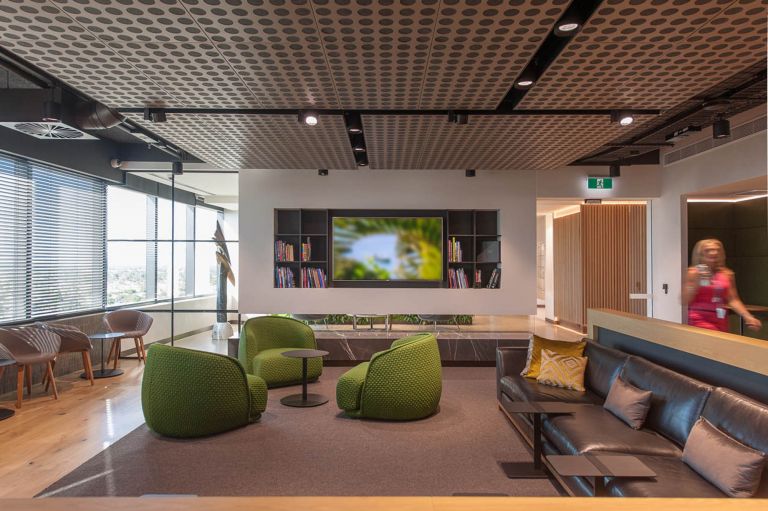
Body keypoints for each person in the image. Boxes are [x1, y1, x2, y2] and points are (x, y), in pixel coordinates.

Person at [684, 239, 762, 333]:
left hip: (720, 319)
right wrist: (695, 283)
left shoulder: (727, 274)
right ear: (700, 254)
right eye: (708, 250)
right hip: (699, 319)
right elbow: (684, 300)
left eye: (717, 250)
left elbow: (733, 300)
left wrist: (748, 317)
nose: (713, 253)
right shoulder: (693, 273)